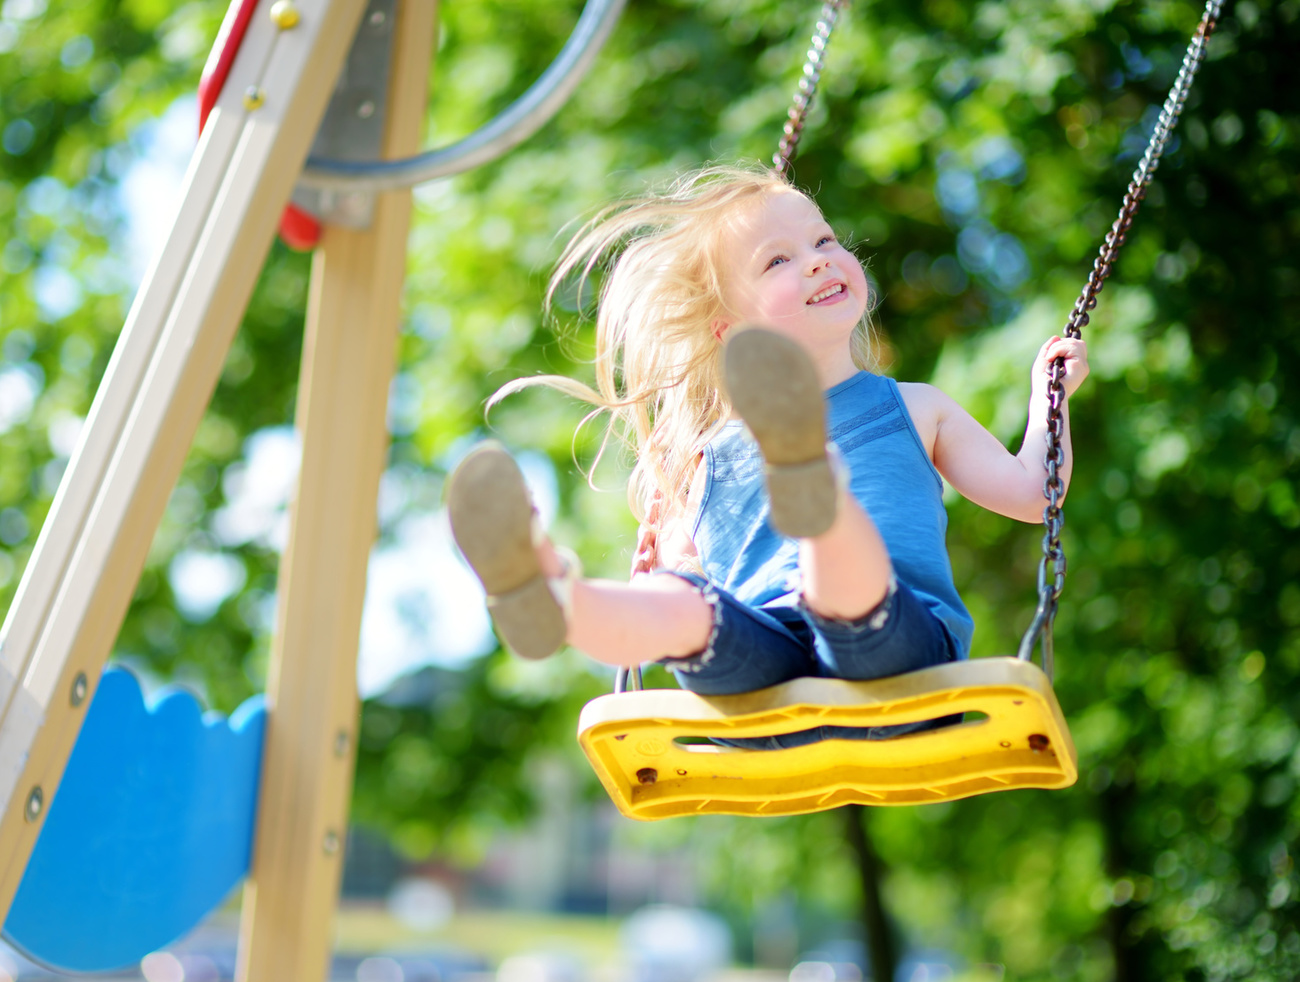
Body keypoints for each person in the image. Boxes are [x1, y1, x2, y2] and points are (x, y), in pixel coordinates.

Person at [446, 163, 1089, 747]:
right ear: (731, 330)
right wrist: (658, 573)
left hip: (900, 668)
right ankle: (556, 597)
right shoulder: (706, 458)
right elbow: (686, 575)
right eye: (777, 261)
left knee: (841, 596)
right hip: (763, 682)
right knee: (685, 607)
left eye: (825, 241)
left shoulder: (915, 407)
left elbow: (1034, 493)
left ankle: (818, 498)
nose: (816, 261)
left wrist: (1049, 401)